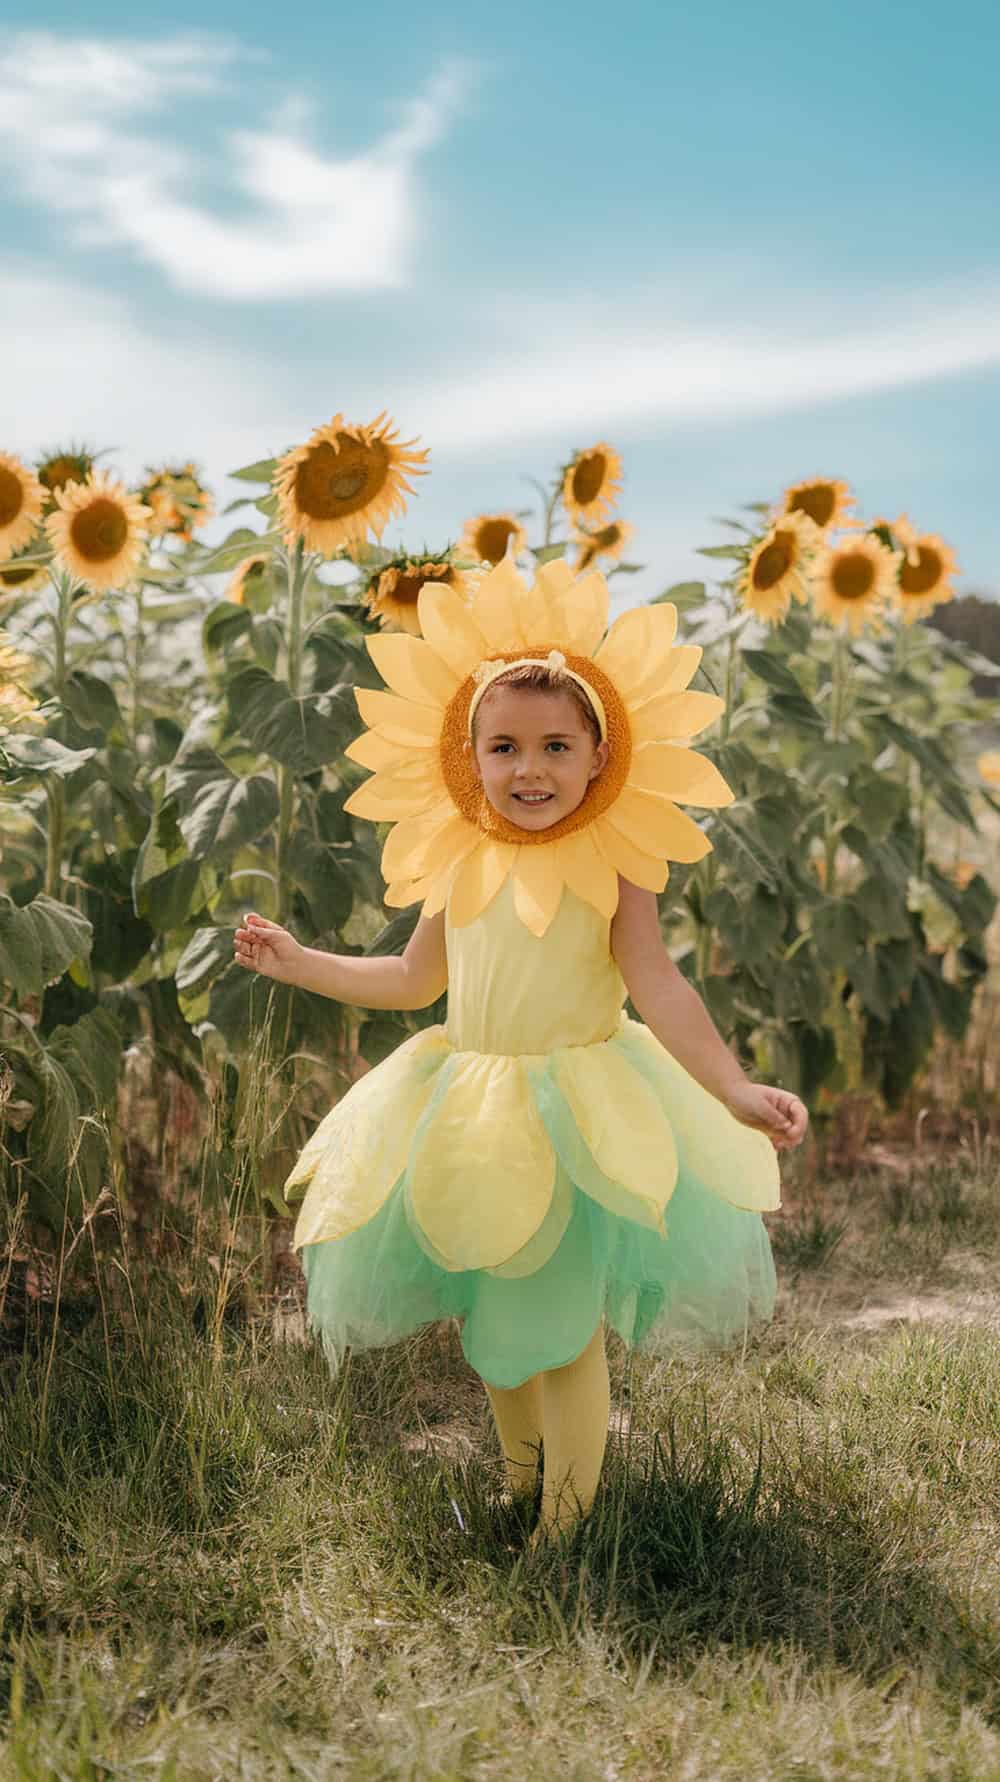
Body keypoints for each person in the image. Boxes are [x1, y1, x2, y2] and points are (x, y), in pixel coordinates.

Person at [233, 558, 808, 1550]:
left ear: (597, 759)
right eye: (503, 747)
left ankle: (566, 1530)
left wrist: (728, 1086)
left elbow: (658, 983)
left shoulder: (617, 863)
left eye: (554, 746)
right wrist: (299, 963)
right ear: (469, 759)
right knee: (493, 1320)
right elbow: (413, 982)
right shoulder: (458, 855)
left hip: (578, 1111)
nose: (529, 768)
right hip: (470, 1105)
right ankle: (519, 1484)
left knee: (562, 1324)